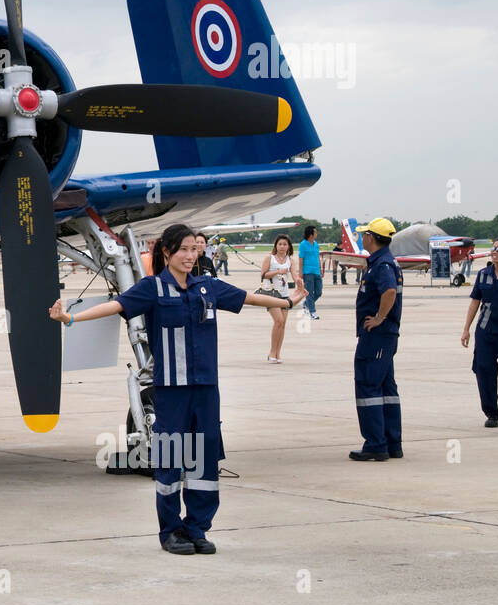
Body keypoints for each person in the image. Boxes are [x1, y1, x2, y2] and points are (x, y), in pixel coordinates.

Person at [49, 223, 303, 555]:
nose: (189, 255)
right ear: (167, 252)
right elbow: (116, 307)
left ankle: (197, 527)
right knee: (170, 458)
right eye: (182, 249)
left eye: (193, 249)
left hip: (206, 390)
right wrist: (70, 319)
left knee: (205, 458)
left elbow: (248, 297)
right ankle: (170, 531)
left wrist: (287, 302)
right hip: (170, 391)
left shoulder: (206, 287)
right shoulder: (152, 289)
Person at [351, 218, 403, 461]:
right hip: (384, 337)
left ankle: (375, 444)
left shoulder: (381, 265)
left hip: (377, 336)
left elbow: (389, 291)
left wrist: (380, 317)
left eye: (364, 234)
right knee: (386, 387)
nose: (362, 237)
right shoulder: (383, 262)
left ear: (371, 237)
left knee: (368, 384)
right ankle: (392, 443)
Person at [461, 237, 498, 427]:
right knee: (484, 371)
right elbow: (475, 302)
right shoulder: (483, 274)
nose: (494, 252)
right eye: (493, 248)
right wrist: (466, 330)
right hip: (485, 332)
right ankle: (492, 413)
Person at [260, 234, 301, 363]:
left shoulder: (290, 260)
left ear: (289, 246)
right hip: (271, 294)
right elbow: (263, 275)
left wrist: (300, 284)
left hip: (284, 294)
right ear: (276, 246)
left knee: (282, 324)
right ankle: (272, 352)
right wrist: (278, 271)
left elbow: (295, 276)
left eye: (284, 244)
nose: (282, 247)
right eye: (280, 244)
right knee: (278, 321)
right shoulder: (270, 258)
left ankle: (278, 353)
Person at [298, 226, 323, 320]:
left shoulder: (316, 244)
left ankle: (306, 304)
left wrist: (320, 269)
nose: (317, 234)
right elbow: (301, 259)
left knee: (319, 292)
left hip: (316, 271)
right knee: (309, 293)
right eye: (315, 232)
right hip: (307, 272)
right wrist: (300, 272)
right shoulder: (303, 244)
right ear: (311, 234)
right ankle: (312, 312)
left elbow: (317, 257)